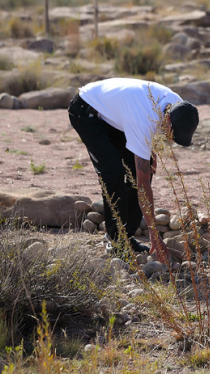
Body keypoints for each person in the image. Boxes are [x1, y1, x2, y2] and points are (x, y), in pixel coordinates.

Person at [68, 77, 199, 260]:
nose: (171, 138)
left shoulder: (178, 105)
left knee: (141, 168)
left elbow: (148, 127)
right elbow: (143, 183)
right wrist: (154, 236)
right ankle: (116, 241)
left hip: (115, 115)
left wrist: (148, 151)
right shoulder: (144, 119)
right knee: (114, 171)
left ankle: (126, 236)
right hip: (86, 110)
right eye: (172, 133)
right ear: (168, 119)